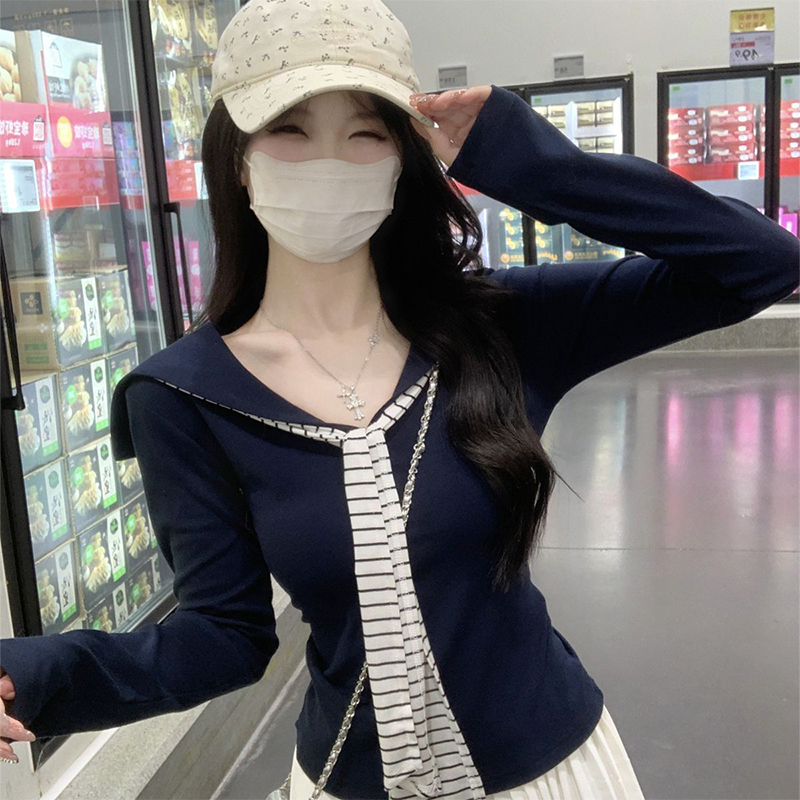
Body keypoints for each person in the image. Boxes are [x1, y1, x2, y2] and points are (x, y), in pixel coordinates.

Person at [1, 1, 798, 798]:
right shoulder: (183, 396)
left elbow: (759, 261)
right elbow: (221, 637)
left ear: (400, 159)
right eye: (289, 129)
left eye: (366, 133)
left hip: (553, 767)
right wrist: (31, 674)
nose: (329, 161)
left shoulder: (499, 326)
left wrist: (519, 154)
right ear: (238, 158)